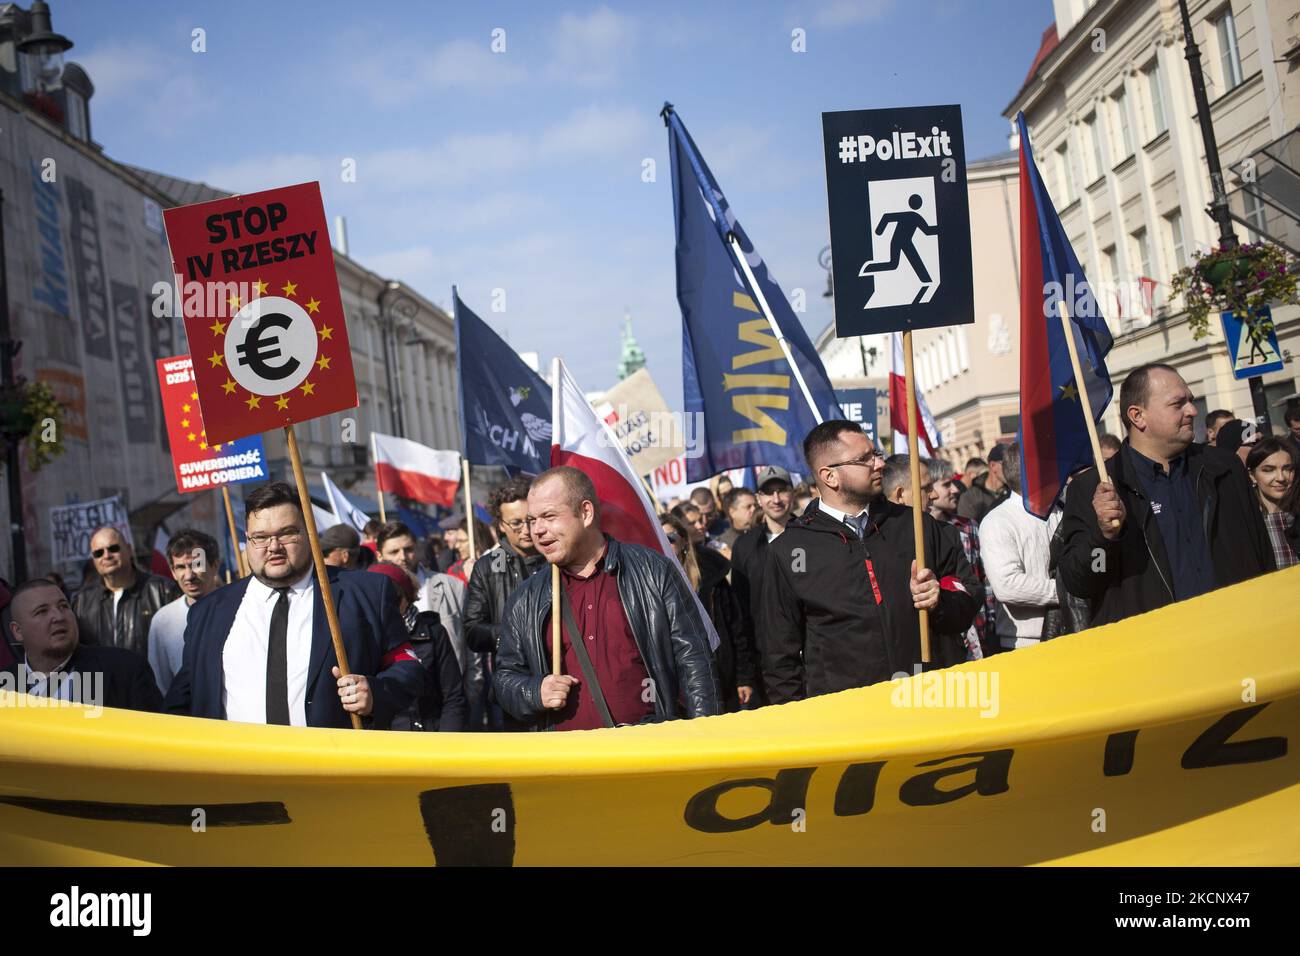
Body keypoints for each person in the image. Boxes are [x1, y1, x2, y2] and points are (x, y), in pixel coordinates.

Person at [165, 481, 425, 728]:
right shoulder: (208, 612)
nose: (274, 546)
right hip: (238, 770)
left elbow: (407, 665)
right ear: (248, 540)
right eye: (261, 537)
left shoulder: (366, 593)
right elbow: (184, 699)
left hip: (330, 766)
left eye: (287, 533)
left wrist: (375, 693)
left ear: (309, 532)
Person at [763, 421, 981, 702]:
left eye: (876, 453)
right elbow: (779, 655)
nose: (879, 464)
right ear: (830, 476)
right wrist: (797, 725)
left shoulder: (916, 525)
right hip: (847, 718)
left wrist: (940, 601)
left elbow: (968, 594)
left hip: (927, 702)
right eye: (864, 459)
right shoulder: (790, 550)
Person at [494, 466, 719, 730]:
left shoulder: (654, 572)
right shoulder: (526, 598)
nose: (537, 530)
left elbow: (695, 661)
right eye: (532, 520)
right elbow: (504, 680)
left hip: (649, 754)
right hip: (567, 762)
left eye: (549, 516)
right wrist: (534, 692)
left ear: (586, 513)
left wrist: (703, 737)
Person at [1058, 364, 1274, 626]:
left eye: (1191, 402)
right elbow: (1082, 581)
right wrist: (1103, 538)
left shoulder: (1224, 468)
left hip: (1236, 631)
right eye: (1178, 404)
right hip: (1155, 650)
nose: (1192, 411)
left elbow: (1262, 554)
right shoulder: (1096, 487)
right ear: (1138, 416)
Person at [4, 579, 163, 712]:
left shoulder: (126, 669)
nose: (58, 617)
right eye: (42, 611)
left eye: (63, 606)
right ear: (17, 631)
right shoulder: (4, 688)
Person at [465, 476, 547, 731]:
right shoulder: (488, 567)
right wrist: (512, 635)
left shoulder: (556, 558)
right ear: (500, 525)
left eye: (530, 520)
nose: (526, 530)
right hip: (513, 686)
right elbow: (473, 631)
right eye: (516, 523)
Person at [378, 520, 482, 714]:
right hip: (397, 712)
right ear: (379, 555)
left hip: (448, 706)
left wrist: (469, 695)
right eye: (394, 552)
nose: (403, 557)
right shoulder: (370, 595)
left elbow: (471, 646)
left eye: (408, 549)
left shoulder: (451, 586)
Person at [662, 512, 755, 711]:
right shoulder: (651, 585)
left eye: (669, 538)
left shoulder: (712, 578)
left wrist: (743, 678)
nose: (665, 544)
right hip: (680, 683)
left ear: (684, 541)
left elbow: (736, 628)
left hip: (721, 676)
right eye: (659, 538)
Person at [977, 443, 1061, 650]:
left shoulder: (1062, 510)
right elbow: (1008, 585)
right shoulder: (997, 521)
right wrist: (1066, 591)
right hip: (1026, 642)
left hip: (1074, 629)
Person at [367, 561, 466, 731]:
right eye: (379, 599)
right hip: (386, 744)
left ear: (407, 598)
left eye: (394, 598)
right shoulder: (363, 637)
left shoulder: (433, 632)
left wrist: (447, 745)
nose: (388, 606)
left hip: (431, 738)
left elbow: (453, 697)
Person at [730, 465, 795, 683]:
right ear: (759, 498)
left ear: (792, 493)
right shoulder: (745, 545)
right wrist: (745, 671)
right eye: (768, 492)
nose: (776, 499)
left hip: (811, 654)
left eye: (781, 490)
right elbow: (739, 610)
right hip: (765, 657)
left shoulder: (811, 536)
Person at [70, 526, 178, 658]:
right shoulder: (81, 601)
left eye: (113, 548)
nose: (106, 556)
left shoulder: (163, 590)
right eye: (98, 553)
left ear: (129, 549)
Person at [928, 458, 998, 658]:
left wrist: (989, 619)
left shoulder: (968, 526)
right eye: (946, 484)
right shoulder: (912, 534)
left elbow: (983, 578)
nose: (955, 490)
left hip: (978, 632)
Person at [147, 529, 223, 695]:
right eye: (181, 567)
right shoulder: (162, 621)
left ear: (215, 565)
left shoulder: (240, 611)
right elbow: (161, 685)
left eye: (196, 565)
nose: (189, 576)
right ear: (173, 572)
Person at [1246, 437, 1298, 569]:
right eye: (1269, 470)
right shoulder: (1246, 522)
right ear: (1252, 475)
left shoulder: (1295, 515)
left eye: (1287, 469)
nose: (1281, 478)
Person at [958, 444, 1010, 524]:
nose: (1013, 467)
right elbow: (967, 531)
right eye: (1008, 464)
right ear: (993, 466)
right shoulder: (970, 497)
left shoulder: (1015, 491)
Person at [716, 487, 757, 552]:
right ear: (732, 512)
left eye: (755, 505)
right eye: (748, 507)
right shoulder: (722, 545)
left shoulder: (766, 533)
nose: (754, 510)